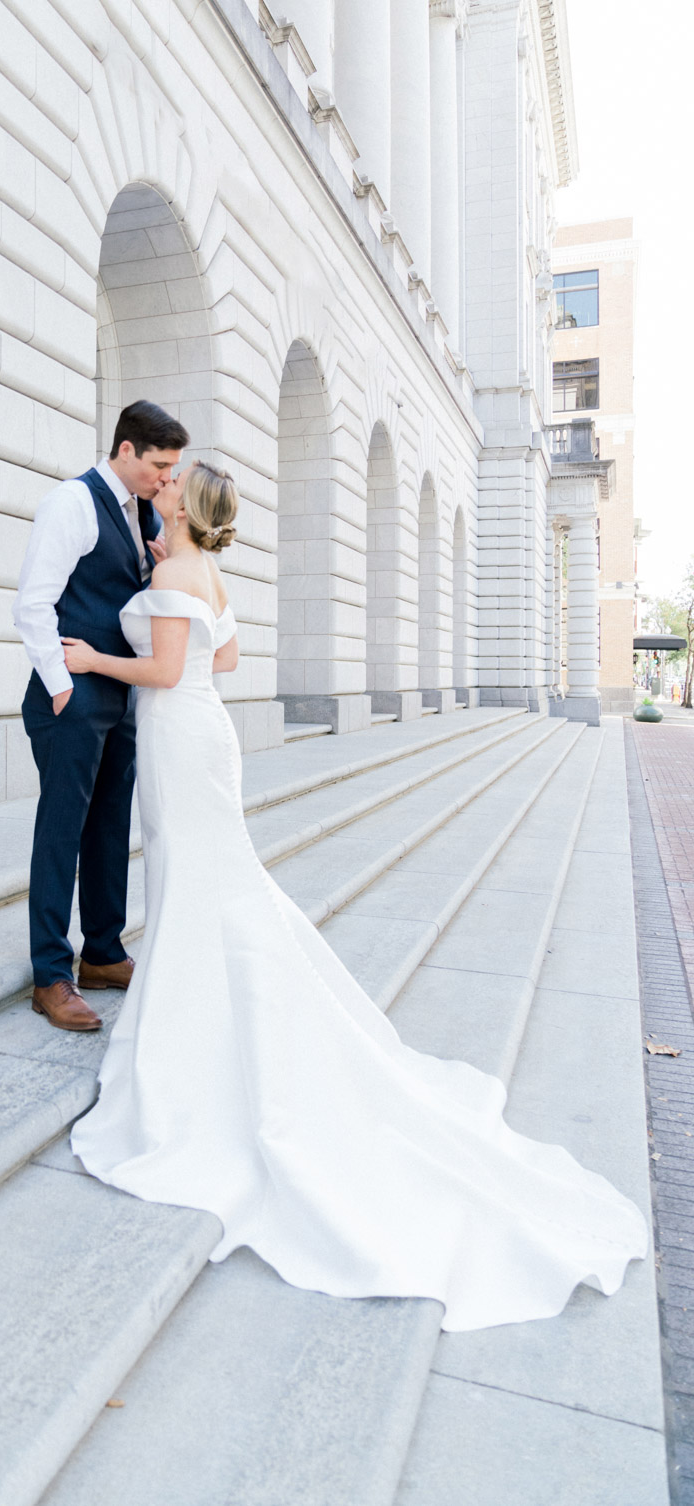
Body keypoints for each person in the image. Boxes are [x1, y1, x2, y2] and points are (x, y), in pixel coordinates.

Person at [60, 461, 647, 1332]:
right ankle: (195, 1004)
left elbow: (171, 667)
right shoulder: (198, 569)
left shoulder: (180, 572)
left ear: (187, 508)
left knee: (195, 878)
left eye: (173, 487)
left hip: (181, 738)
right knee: (205, 879)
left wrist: (93, 655)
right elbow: (226, 655)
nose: (164, 488)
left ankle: (191, 1027)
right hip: (197, 735)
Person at [13, 400, 188, 1031]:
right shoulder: (72, 502)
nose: (167, 477)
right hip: (73, 695)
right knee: (62, 830)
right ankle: (51, 975)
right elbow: (33, 603)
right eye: (159, 465)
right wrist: (61, 688)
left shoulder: (142, 512)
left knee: (111, 827)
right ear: (125, 450)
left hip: (121, 695)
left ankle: (105, 953)